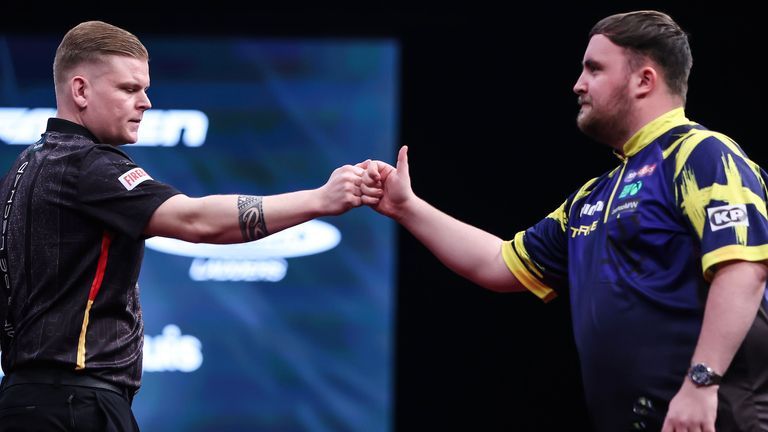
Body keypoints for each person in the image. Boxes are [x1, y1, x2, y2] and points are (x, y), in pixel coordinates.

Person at [361, 10, 768, 432]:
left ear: (644, 80)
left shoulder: (701, 154)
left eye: (594, 69)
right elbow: (499, 264)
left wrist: (701, 383)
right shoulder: (594, 196)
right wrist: (405, 207)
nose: (578, 84)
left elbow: (744, 268)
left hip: (711, 418)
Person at [0, 20, 380, 431]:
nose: (145, 102)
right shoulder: (88, 166)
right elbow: (196, 221)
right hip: (75, 406)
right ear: (80, 90)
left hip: (28, 400)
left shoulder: (27, 164)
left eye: (144, 88)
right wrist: (320, 199)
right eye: (129, 89)